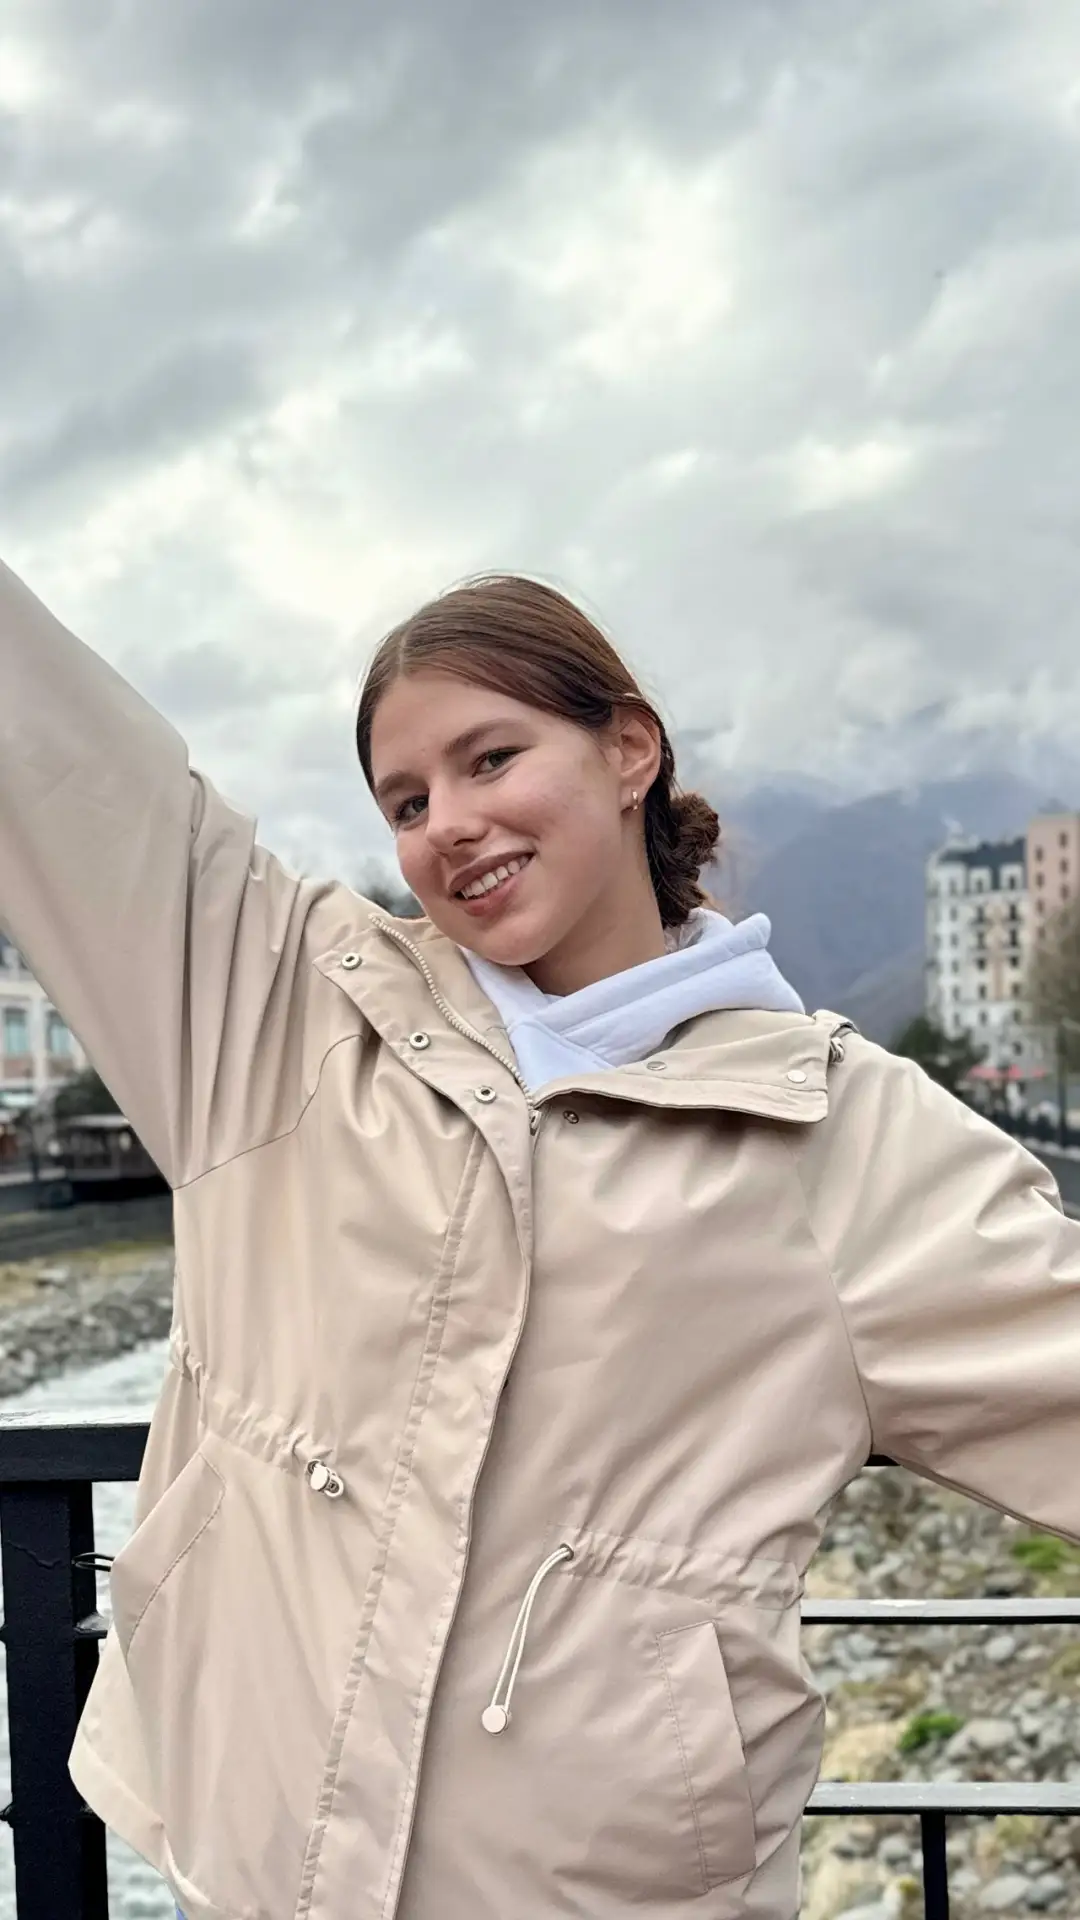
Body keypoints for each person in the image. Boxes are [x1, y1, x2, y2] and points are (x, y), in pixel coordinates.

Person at [2, 558, 1080, 1920]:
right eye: (406, 801)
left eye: (490, 757)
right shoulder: (277, 1013)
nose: (449, 824)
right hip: (254, 1868)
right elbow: (51, 751)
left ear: (629, 749)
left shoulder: (844, 1140)